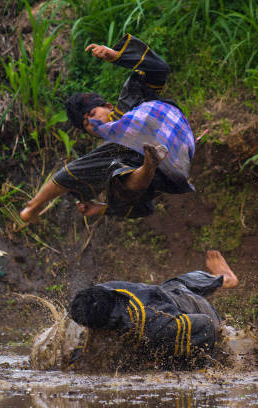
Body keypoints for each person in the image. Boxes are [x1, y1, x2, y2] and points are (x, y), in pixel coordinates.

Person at [20, 34, 196, 223]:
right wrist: (100, 209)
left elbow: (160, 69)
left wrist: (117, 56)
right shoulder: (118, 153)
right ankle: (149, 164)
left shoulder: (128, 99)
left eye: (93, 113)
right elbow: (143, 208)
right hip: (174, 167)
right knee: (118, 182)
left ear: (109, 106)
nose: (92, 122)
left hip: (169, 131)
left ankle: (32, 206)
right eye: (86, 124)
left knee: (84, 166)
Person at [68, 250, 239, 368]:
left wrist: (187, 367)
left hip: (193, 306)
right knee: (180, 283)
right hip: (164, 291)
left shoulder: (153, 324)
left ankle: (226, 279)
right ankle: (221, 278)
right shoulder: (99, 293)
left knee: (210, 322)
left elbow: (205, 325)